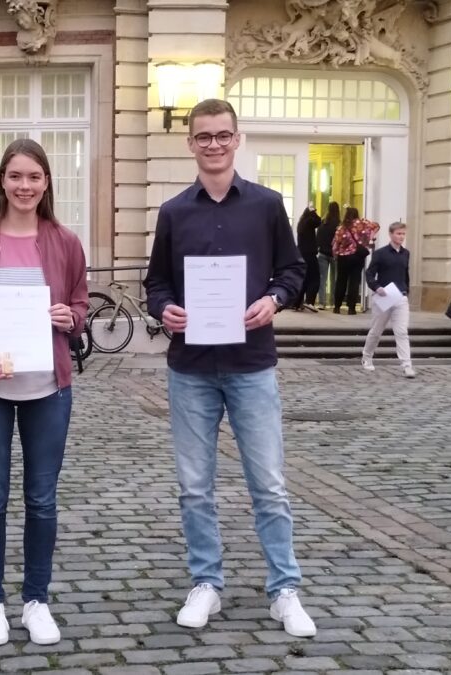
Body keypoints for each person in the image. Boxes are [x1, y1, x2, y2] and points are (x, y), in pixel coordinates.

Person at [143, 98, 316, 638]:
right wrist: (163, 309)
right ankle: (206, 583)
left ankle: (284, 590)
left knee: (268, 484)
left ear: (237, 139)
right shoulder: (174, 212)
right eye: (203, 137)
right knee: (195, 486)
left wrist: (276, 299)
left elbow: (293, 269)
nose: (213, 144)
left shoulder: (266, 205)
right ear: (190, 143)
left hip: (250, 363)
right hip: (190, 366)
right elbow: (157, 283)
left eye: (222, 135)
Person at [0, 138, 89, 647]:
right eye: (15, 176)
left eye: (34, 177)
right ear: (2, 181)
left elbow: (80, 309)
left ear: (46, 182)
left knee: (42, 500)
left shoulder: (66, 241)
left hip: (48, 388)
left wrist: (70, 317)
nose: (24, 186)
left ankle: (35, 599)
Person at [361, 222, 414, 377]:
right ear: (391, 234)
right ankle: (367, 356)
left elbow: (406, 273)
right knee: (377, 330)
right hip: (384, 296)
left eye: (403, 234)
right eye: (398, 233)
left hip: (400, 296)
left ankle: (406, 364)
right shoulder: (380, 254)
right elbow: (370, 273)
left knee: (402, 332)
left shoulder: (406, 253)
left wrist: (406, 290)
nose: (401, 237)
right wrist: (377, 287)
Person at [332, 206, 379, 315]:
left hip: (343, 257)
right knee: (354, 281)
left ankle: (337, 306)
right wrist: (367, 240)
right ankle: (351, 308)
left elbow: (336, 243)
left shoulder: (341, 227)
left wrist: (335, 254)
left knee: (341, 281)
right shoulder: (362, 225)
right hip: (357, 256)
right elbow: (376, 226)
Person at [294, 204, 321, 311]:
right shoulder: (310, 221)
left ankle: (297, 302)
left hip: (301, 254)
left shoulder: (301, 223)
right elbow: (319, 221)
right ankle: (310, 301)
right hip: (310, 254)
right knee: (315, 278)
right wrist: (314, 211)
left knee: (304, 279)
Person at [316, 202, 339, 309]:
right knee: (334, 279)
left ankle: (322, 302)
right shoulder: (339, 224)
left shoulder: (323, 223)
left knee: (322, 279)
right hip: (335, 254)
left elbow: (318, 238)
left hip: (323, 253)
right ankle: (333, 302)